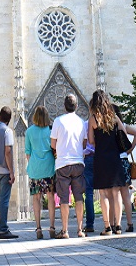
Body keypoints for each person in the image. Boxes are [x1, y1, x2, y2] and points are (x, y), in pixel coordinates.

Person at [88, 90, 127, 235]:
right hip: (114, 157)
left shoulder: (93, 119)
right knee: (116, 192)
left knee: (103, 193)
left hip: (101, 157)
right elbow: (123, 132)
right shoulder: (114, 117)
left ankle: (107, 227)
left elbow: (91, 141)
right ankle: (118, 225)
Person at [50, 94, 87, 239]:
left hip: (63, 164)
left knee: (64, 198)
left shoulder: (58, 121)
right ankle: (79, 229)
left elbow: (53, 144)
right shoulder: (81, 122)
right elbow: (84, 144)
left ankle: (65, 231)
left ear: (64, 106)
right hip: (78, 162)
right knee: (79, 196)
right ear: (76, 106)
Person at [25, 105, 56, 239]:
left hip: (35, 169)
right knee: (50, 197)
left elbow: (27, 153)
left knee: (36, 198)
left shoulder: (29, 131)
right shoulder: (50, 130)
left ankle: (38, 228)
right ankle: (52, 227)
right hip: (49, 168)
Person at [0, 106, 18, 240]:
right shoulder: (7, 131)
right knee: (4, 200)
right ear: (9, 119)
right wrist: (12, 172)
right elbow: (7, 152)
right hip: (4, 170)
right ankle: (4, 229)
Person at [113, 104, 136, 232]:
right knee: (126, 194)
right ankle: (130, 223)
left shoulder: (110, 127)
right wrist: (130, 149)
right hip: (124, 159)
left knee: (115, 194)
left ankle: (116, 223)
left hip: (114, 160)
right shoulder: (123, 126)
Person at [82, 120, 96, 233]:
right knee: (106, 191)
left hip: (88, 157)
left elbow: (84, 142)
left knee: (89, 192)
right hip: (102, 157)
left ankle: (90, 224)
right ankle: (111, 223)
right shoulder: (105, 123)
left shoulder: (85, 124)